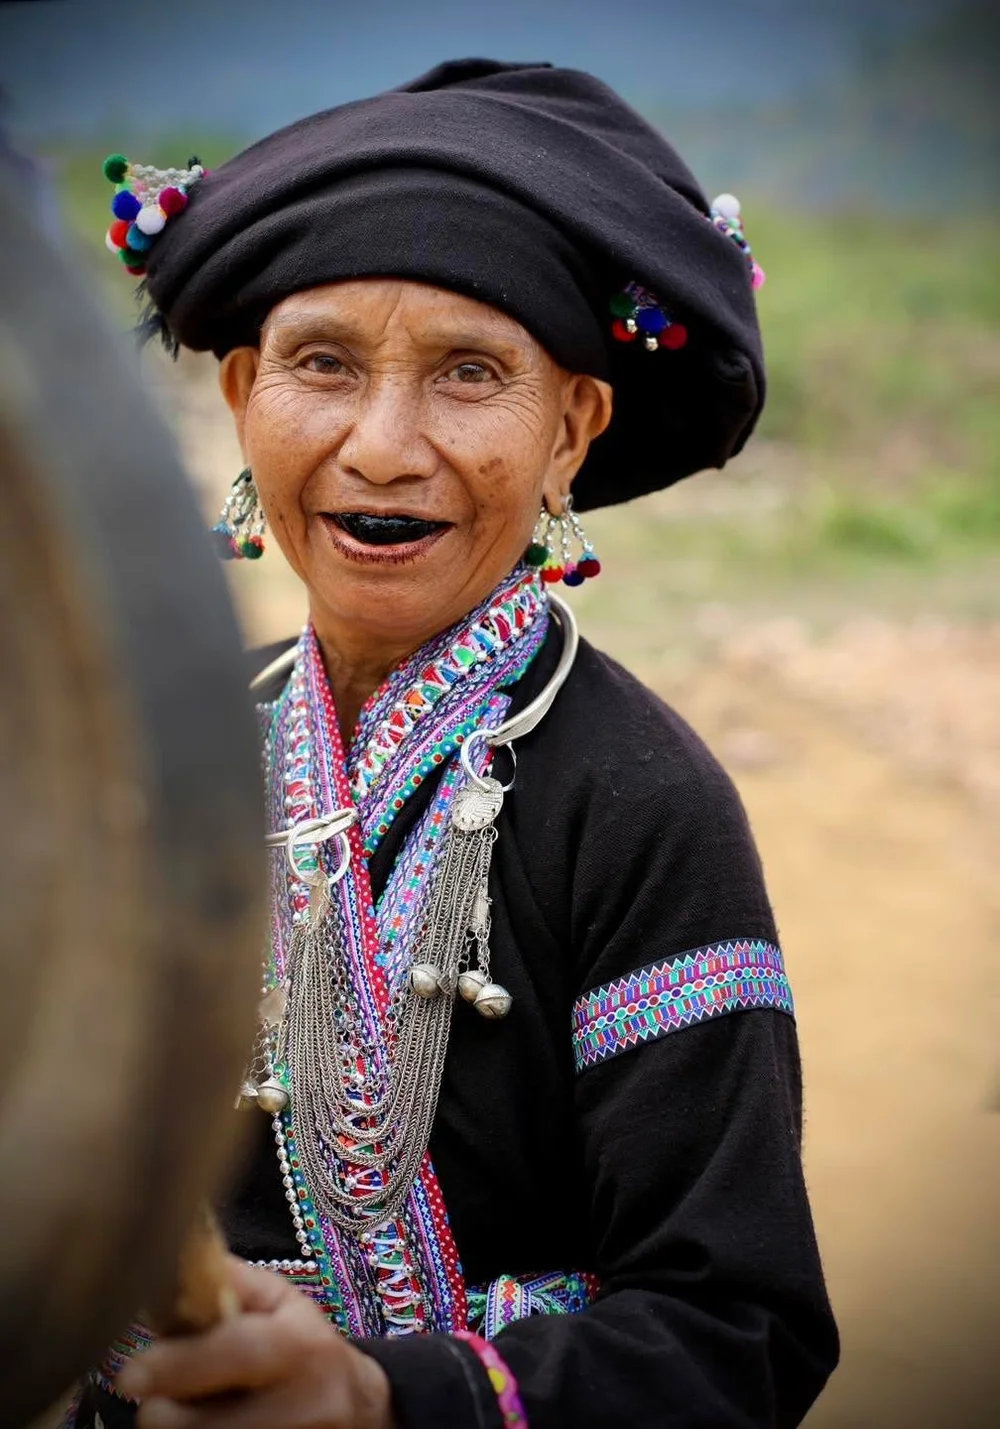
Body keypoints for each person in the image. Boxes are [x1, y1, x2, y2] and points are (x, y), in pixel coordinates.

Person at [76, 58, 837, 1429]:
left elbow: (739, 1331)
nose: (382, 444)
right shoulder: (174, 756)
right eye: (322, 364)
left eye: (470, 374)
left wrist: (380, 1399)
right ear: (243, 396)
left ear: (571, 433)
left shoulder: (641, 802)